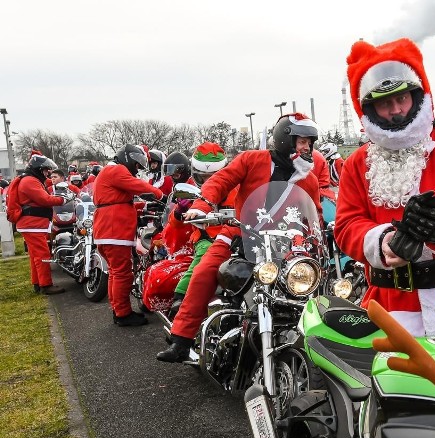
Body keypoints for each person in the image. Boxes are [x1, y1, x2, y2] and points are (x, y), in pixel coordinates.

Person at [335, 38, 435, 349]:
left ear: (418, 95)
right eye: (385, 103)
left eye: (403, 99)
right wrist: (383, 242)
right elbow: (346, 225)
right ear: (369, 109)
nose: (396, 111)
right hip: (391, 307)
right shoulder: (357, 164)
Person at [157, 113, 320, 362]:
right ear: (285, 139)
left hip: (280, 243)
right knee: (203, 272)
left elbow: (312, 214)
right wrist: (202, 205)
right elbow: (222, 180)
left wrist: (317, 236)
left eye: (310, 142)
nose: (307, 147)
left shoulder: (308, 179)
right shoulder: (252, 159)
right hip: (239, 232)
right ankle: (181, 339)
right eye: (302, 141)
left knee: (303, 283)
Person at [93, 144, 164, 327]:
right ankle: (123, 314)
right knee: (123, 273)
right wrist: (159, 195)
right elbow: (137, 185)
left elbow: (118, 200)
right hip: (114, 231)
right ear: (127, 158)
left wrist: (143, 207)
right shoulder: (116, 171)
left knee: (115, 273)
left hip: (107, 230)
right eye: (137, 164)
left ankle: (117, 309)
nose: (138, 168)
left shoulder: (109, 172)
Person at [166, 141, 230, 316]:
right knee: (204, 259)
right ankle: (181, 299)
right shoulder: (192, 192)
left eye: (215, 176)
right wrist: (179, 211)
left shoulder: (236, 188)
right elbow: (174, 224)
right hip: (206, 238)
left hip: (238, 237)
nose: (209, 182)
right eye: (203, 177)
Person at [13, 155, 71, 294]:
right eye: (45, 170)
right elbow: (44, 199)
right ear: (38, 169)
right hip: (32, 223)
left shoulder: (30, 180)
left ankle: (37, 283)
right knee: (42, 254)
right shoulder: (29, 181)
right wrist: (62, 201)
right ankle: (46, 285)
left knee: (35, 256)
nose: (47, 173)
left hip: (32, 223)